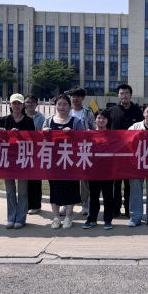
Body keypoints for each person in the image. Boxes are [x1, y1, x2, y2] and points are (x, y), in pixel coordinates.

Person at [42, 94, 84, 229]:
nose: (61, 107)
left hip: (70, 160)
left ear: (69, 106)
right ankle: (56, 217)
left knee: (71, 187)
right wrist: (44, 132)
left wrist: (73, 133)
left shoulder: (76, 121)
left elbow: (83, 139)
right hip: (53, 161)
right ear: (55, 106)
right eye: (59, 104)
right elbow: (40, 140)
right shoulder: (48, 121)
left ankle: (68, 217)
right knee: (54, 188)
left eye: (65, 104)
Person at [0, 93, 35, 229]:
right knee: (10, 190)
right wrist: (3, 133)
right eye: (14, 103)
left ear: (23, 105)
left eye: (19, 103)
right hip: (7, 159)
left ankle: (21, 218)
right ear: (10, 105)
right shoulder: (3, 120)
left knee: (22, 191)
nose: (16, 106)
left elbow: (33, 140)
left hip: (23, 159)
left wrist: (20, 135)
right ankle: (11, 217)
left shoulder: (29, 121)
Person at [107, 84, 144, 217]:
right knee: (116, 183)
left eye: (126, 93)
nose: (124, 96)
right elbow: (105, 130)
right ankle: (115, 209)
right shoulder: (111, 111)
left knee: (130, 183)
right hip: (115, 153)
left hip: (132, 153)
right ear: (118, 95)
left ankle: (129, 209)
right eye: (121, 93)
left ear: (131, 95)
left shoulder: (138, 112)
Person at [83, 109, 115, 230]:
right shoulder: (89, 134)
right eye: (99, 118)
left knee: (108, 197)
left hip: (108, 171)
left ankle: (108, 220)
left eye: (104, 118)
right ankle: (92, 219)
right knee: (93, 196)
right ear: (95, 120)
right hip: (93, 171)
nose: (101, 120)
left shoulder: (113, 135)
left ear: (107, 120)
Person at [68, 87, 96, 216]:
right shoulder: (66, 111)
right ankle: (68, 203)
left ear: (83, 98)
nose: (75, 98)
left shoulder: (88, 113)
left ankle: (85, 204)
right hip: (68, 149)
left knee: (84, 179)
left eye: (78, 96)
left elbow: (93, 130)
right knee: (70, 178)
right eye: (73, 96)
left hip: (84, 149)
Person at [24, 94, 45, 215]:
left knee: (35, 179)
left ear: (36, 104)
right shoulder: (21, 116)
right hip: (23, 151)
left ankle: (36, 205)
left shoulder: (40, 118)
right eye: (27, 102)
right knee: (25, 179)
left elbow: (42, 133)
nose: (30, 104)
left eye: (32, 102)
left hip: (36, 151)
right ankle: (26, 203)